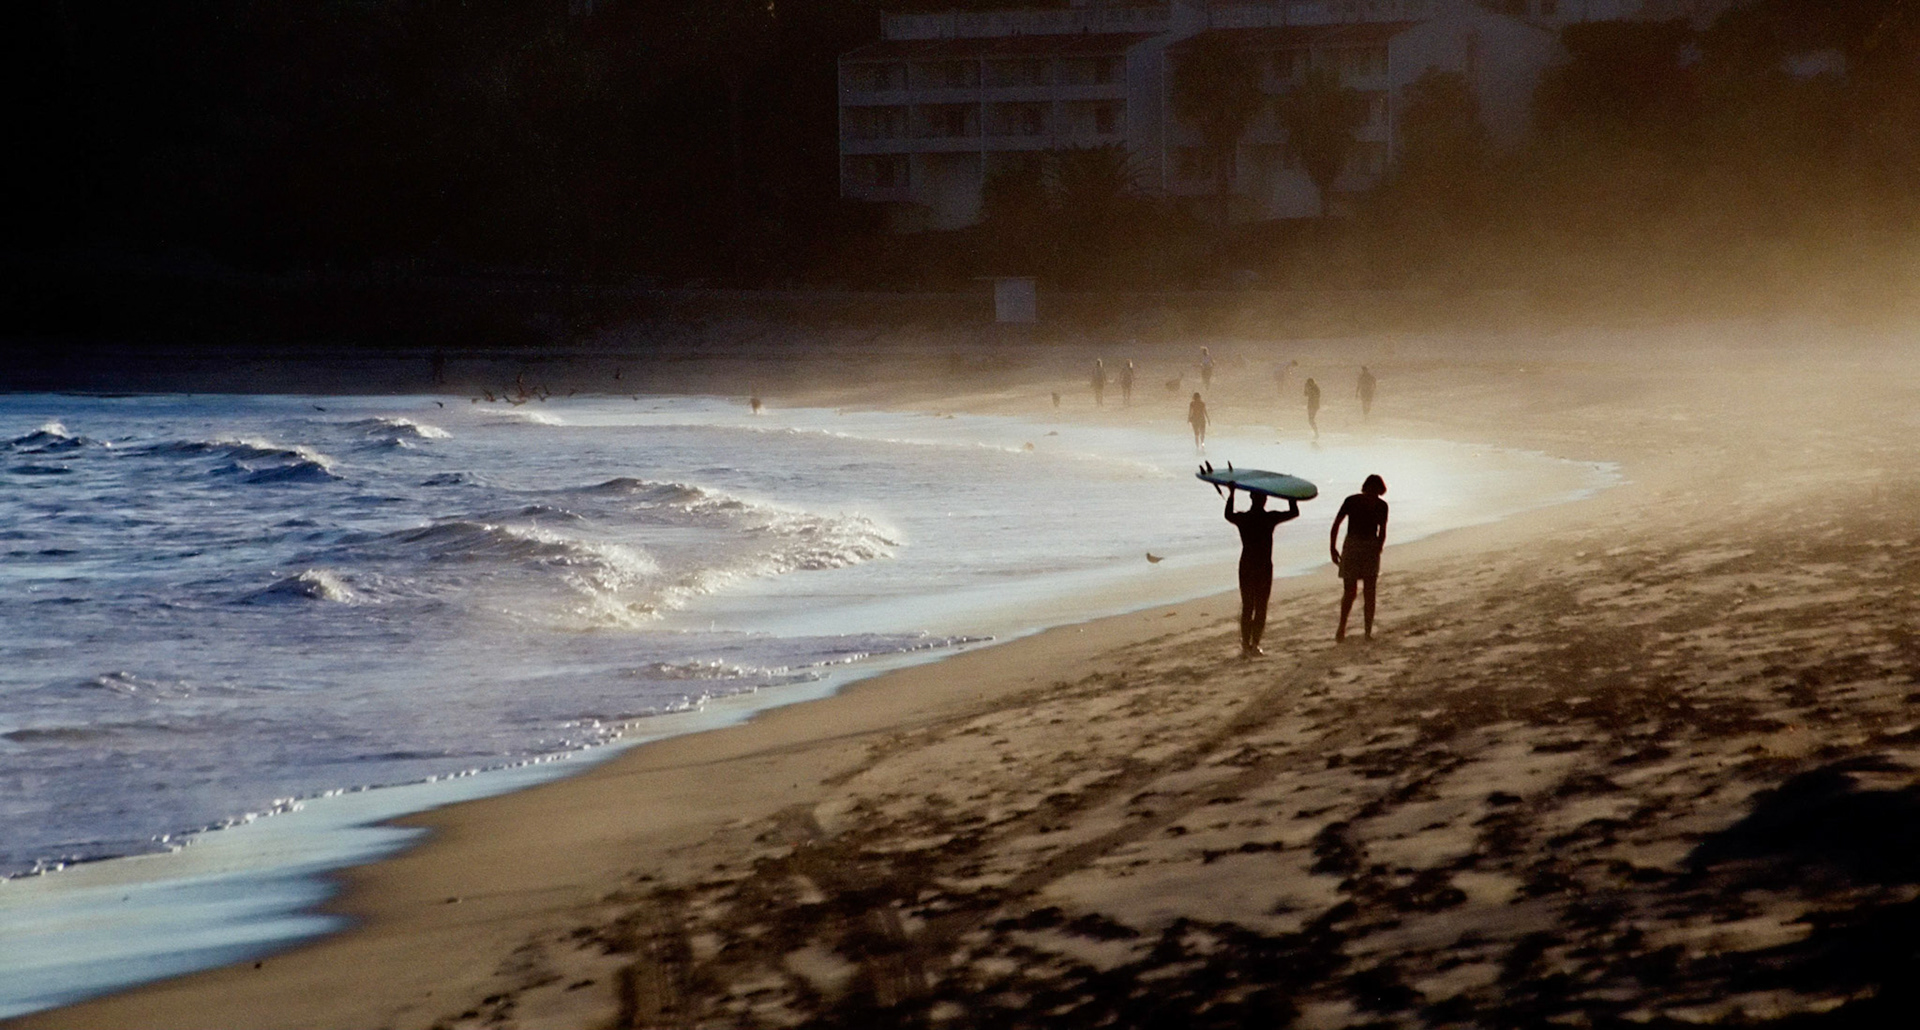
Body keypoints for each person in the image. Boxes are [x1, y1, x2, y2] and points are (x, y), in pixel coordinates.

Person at [1226, 486, 1299, 656]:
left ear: (1251, 497)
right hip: (1264, 566)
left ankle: (1246, 645)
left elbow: (1228, 515)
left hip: (1247, 565)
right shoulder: (1269, 518)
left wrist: (1231, 494)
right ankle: (1254, 645)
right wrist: (1289, 493)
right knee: (1260, 607)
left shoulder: (1244, 518)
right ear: (1265, 500)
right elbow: (1294, 512)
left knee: (1247, 606)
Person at [1330, 474, 1389, 641]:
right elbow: (1382, 531)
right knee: (1362, 591)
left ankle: (1350, 629)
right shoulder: (1379, 504)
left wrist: (1333, 548)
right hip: (1362, 545)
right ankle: (1357, 630)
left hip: (1357, 545)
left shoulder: (1354, 501)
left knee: (1356, 591)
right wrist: (1378, 547)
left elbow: (1336, 524)